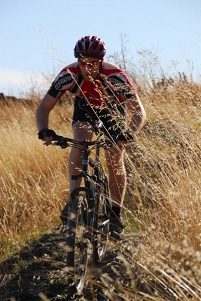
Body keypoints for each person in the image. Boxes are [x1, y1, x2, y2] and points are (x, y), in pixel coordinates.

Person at [35, 35, 146, 240]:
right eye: (84, 63)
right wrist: (44, 130)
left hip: (112, 109)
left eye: (94, 64)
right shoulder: (68, 75)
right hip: (85, 108)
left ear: (102, 61)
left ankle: (115, 215)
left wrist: (128, 134)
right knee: (80, 143)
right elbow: (43, 109)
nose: (89, 69)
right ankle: (73, 201)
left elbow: (139, 112)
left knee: (114, 155)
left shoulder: (115, 76)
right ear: (77, 60)